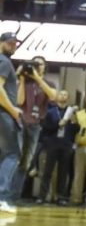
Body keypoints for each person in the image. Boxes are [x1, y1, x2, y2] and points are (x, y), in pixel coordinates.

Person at [10, 56, 56, 204]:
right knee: (15, 158)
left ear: (44, 67)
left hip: (35, 125)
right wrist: (23, 79)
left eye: (39, 64)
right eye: (33, 64)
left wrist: (37, 77)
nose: (36, 66)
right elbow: (19, 101)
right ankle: (5, 194)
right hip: (21, 122)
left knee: (26, 162)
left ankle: (14, 196)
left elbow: (53, 96)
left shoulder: (48, 83)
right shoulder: (25, 81)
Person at [0, 32, 24, 214]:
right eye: (10, 43)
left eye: (15, 43)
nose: (13, 46)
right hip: (4, 114)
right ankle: (2, 197)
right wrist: (12, 110)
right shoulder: (4, 62)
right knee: (13, 155)